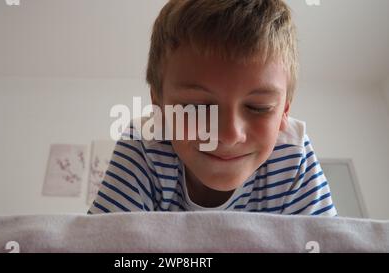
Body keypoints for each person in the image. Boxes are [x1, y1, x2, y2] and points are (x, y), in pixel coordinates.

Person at [88, 0, 337, 216]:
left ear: (284, 112)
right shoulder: (143, 144)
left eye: (258, 107)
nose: (230, 135)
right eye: (197, 106)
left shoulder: (292, 156)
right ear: (159, 107)